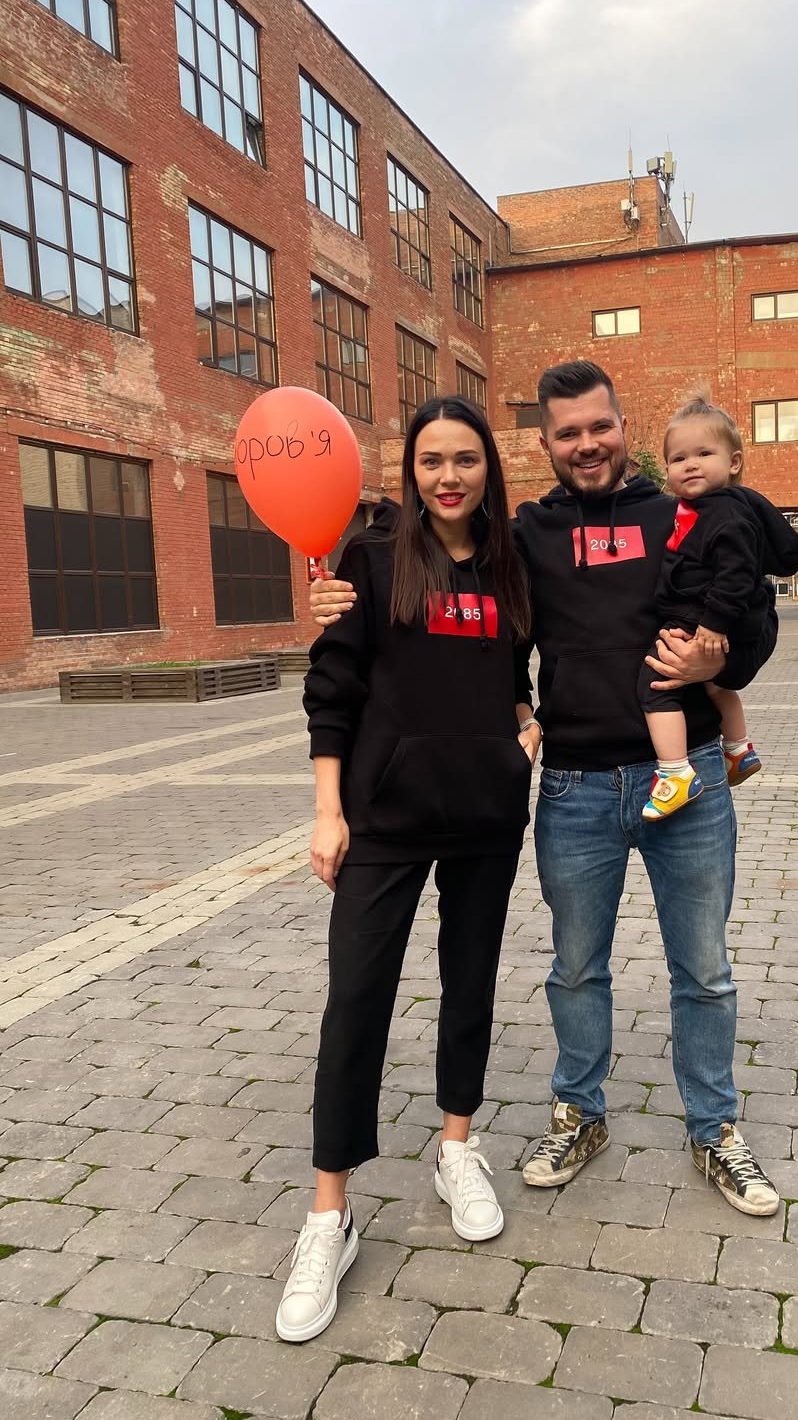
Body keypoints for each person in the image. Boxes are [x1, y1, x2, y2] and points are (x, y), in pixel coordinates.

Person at [310, 361, 780, 1219]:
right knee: (575, 969)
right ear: (545, 444)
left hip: (687, 777)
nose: (586, 444)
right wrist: (342, 588)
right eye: (568, 433)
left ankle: (715, 1128)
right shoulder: (526, 535)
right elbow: (453, 575)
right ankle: (579, 1113)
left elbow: (753, 607)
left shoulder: (684, 512)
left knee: (705, 970)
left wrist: (724, 656)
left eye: (599, 427)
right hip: (575, 785)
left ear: (623, 426)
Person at [277, 395, 538, 1345]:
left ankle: (456, 1148)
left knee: (470, 985)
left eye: (465, 459)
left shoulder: (511, 564)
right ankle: (329, 1214)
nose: (449, 476)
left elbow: (513, 675)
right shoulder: (373, 558)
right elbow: (331, 688)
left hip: (484, 816)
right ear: (411, 471)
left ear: (488, 467)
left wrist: (525, 726)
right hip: (383, 818)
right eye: (432, 461)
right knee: (357, 1000)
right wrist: (328, 810)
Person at [637, 393, 798, 820]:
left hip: (702, 619)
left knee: (654, 683)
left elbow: (737, 573)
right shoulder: (702, 509)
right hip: (708, 619)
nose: (690, 464)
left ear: (734, 462)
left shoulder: (725, 514)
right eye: (678, 458)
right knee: (713, 685)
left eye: (703, 454)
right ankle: (739, 749)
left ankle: (675, 773)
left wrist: (714, 624)